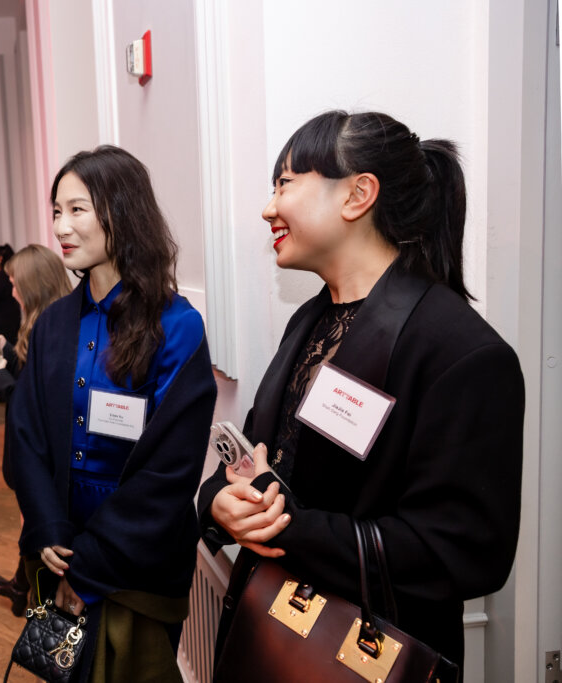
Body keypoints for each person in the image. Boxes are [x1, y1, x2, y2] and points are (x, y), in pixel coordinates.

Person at [198, 111, 524, 679]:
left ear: (358, 194)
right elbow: (260, 458)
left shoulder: (461, 353)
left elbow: (466, 551)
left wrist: (289, 528)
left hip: (368, 657)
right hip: (271, 639)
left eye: (285, 183)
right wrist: (217, 505)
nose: (268, 208)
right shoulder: (308, 321)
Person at [9, 146, 216, 681]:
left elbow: (168, 472)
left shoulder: (177, 326)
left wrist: (91, 564)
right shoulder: (54, 323)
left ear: (121, 212)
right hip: (58, 544)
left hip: (136, 561)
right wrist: (50, 528)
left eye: (77, 209)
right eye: (57, 211)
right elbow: (25, 435)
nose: (61, 225)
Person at [0, 244, 72, 616]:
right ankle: (22, 587)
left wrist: (1, 381)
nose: (11, 290)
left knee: (37, 530)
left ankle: (32, 600)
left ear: (32, 286)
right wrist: (10, 354)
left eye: (15, 282)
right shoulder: (43, 321)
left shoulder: (55, 328)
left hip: (42, 463)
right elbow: (35, 383)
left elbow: (41, 411)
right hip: (37, 463)